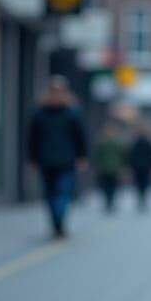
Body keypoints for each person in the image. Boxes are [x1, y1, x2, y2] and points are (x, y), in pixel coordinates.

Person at [26, 76, 87, 237]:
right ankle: (59, 221)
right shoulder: (72, 111)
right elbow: (81, 137)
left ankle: (56, 222)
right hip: (66, 160)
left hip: (46, 159)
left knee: (51, 193)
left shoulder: (39, 112)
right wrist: (82, 156)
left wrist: (32, 157)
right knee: (62, 192)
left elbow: (32, 137)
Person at [92, 121, 126, 213]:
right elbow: (97, 155)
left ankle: (110, 201)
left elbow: (123, 155)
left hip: (114, 168)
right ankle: (109, 201)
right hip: (105, 167)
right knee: (106, 186)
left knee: (112, 186)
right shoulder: (102, 141)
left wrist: (123, 167)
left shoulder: (117, 141)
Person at [128, 125, 151, 210]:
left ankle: (141, 199)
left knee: (139, 184)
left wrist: (130, 166)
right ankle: (143, 199)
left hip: (138, 167)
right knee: (145, 184)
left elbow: (131, 156)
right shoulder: (149, 143)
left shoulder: (136, 143)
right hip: (146, 167)